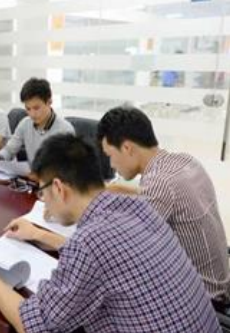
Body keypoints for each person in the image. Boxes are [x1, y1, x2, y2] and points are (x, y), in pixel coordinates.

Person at [0, 134, 221, 333]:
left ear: (58, 188)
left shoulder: (88, 243)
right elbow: (109, 257)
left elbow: (33, 324)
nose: (44, 201)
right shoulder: (137, 206)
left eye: (42, 193)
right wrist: (40, 234)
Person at [97, 106, 230, 306]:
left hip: (203, 298)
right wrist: (114, 189)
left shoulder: (159, 184)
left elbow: (121, 251)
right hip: (218, 281)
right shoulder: (184, 161)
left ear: (127, 148)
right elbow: (157, 195)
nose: (111, 165)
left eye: (110, 155)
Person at [0, 78, 73, 164]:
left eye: (36, 108)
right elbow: (9, 150)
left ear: (49, 102)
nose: (32, 114)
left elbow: (66, 166)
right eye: (28, 109)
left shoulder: (65, 130)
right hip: (29, 172)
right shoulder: (25, 124)